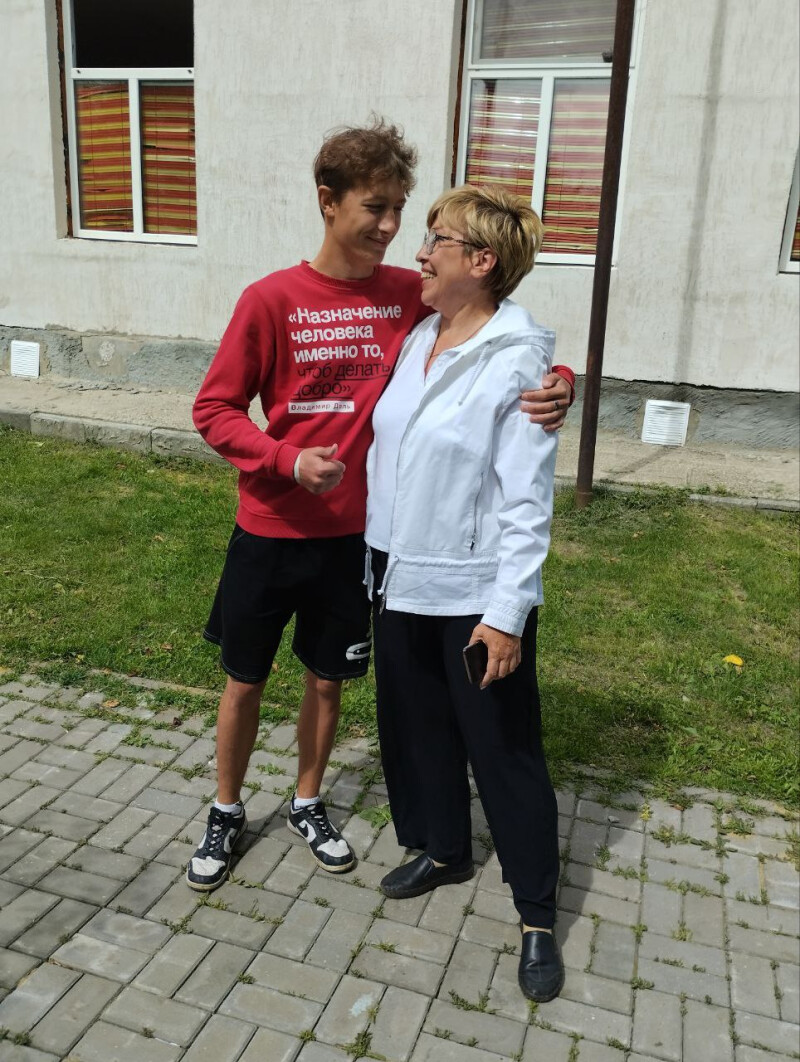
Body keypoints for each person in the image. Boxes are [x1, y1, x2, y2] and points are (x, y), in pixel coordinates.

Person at [187, 119, 575, 892]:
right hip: (269, 527)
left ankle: (307, 802)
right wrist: (285, 459)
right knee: (245, 681)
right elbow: (214, 409)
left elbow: (495, 333)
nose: (394, 228)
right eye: (376, 207)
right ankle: (226, 809)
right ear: (328, 202)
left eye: (402, 209)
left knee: (328, 680)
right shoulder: (270, 299)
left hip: (357, 543)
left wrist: (558, 379)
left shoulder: (409, 295)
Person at [366, 185, 564, 1002]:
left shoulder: (517, 360)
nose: (418, 252)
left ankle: (537, 914)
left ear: (481, 261)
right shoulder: (420, 332)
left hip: (474, 595)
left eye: (436, 240)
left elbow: (526, 502)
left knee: (505, 754)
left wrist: (507, 616)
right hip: (397, 576)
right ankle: (445, 849)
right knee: (419, 732)